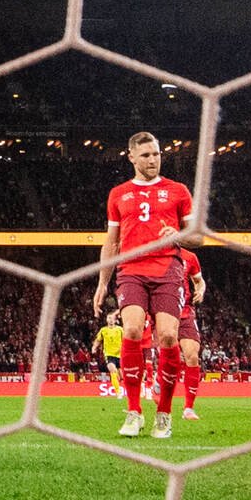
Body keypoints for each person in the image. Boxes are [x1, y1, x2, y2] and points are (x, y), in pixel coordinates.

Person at [92, 132, 198, 439]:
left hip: (168, 268)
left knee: (167, 336)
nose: (153, 160)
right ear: (132, 157)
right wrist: (102, 283)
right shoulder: (118, 194)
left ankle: (163, 414)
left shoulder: (177, 191)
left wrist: (176, 235)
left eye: (156, 154)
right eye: (146, 155)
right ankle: (134, 411)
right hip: (131, 269)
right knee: (133, 331)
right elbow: (111, 242)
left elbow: (197, 237)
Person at [176, 248, 207, 420]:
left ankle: (188, 408)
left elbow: (199, 281)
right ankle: (157, 385)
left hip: (186, 312)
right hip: (163, 312)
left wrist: (200, 291)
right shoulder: (155, 253)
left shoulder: (189, 257)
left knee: (192, 357)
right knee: (170, 358)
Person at [91, 310, 125, 397]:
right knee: (112, 370)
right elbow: (98, 340)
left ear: (115, 320)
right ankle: (118, 393)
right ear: (106, 319)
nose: (110, 320)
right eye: (108, 318)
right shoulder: (103, 330)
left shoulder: (120, 329)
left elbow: (125, 340)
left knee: (122, 376)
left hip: (120, 355)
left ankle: (132, 391)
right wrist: (94, 347)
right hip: (109, 355)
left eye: (112, 318)